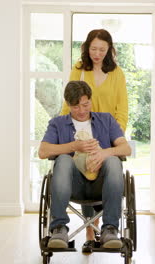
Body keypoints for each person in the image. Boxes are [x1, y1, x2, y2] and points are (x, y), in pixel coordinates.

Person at [39, 81, 131, 249]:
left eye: (85, 104)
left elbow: (126, 148)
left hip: (102, 184)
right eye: (75, 107)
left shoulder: (106, 120)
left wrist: (104, 153)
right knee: (63, 159)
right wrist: (74, 147)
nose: (81, 111)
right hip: (72, 185)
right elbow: (43, 151)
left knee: (113, 160)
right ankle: (59, 228)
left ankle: (110, 229)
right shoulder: (57, 123)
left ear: (90, 100)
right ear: (67, 104)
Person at [60, 29, 129, 243]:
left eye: (102, 49)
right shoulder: (79, 69)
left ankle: (102, 225)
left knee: (105, 171)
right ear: (87, 47)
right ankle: (90, 228)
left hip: (107, 133)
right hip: (82, 130)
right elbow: (69, 100)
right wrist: (64, 132)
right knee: (84, 170)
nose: (97, 53)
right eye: (93, 49)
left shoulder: (116, 73)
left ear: (109, 50)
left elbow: (122, 109)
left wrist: (114, 136)